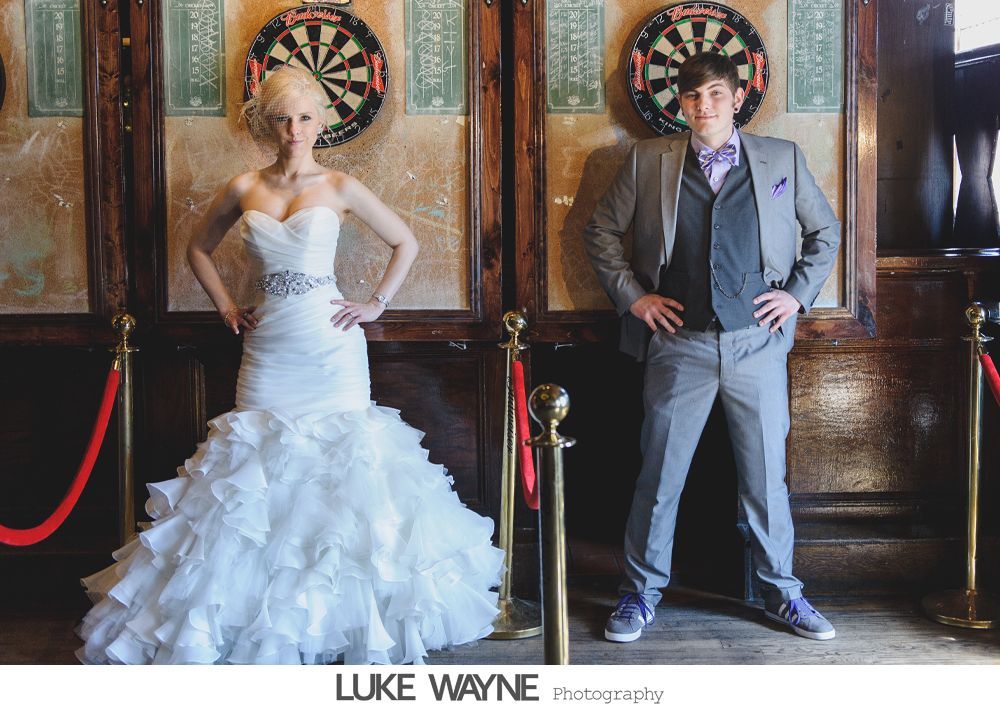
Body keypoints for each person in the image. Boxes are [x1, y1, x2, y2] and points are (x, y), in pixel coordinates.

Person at [75, 65, 505, 664]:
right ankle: (248, 619)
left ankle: (341, 617)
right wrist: (226, 304)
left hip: (330, 344)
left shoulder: (340, 186)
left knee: (347, 466)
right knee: (254, 467)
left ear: (322, 122)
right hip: (270, 340)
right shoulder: (243, 186)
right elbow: (198, 247)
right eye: (283, 118)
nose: (294, 129)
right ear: (267, 124)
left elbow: (405, 241)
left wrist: (374, 304)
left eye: (305, 117)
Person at [582, 52, 840, 643]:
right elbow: (599, 232)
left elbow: (824, 232)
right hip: (679, 343)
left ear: (738, 96)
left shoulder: (781, 158)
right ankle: (639, 594)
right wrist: (635, 299)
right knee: (661, 473)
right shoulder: (649, 161)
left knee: (765, 477)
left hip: (758, 343)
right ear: (681, 103)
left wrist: (797, 296)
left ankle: (782, 593)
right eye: (694, 97)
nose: (705, 106)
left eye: (717, 94)